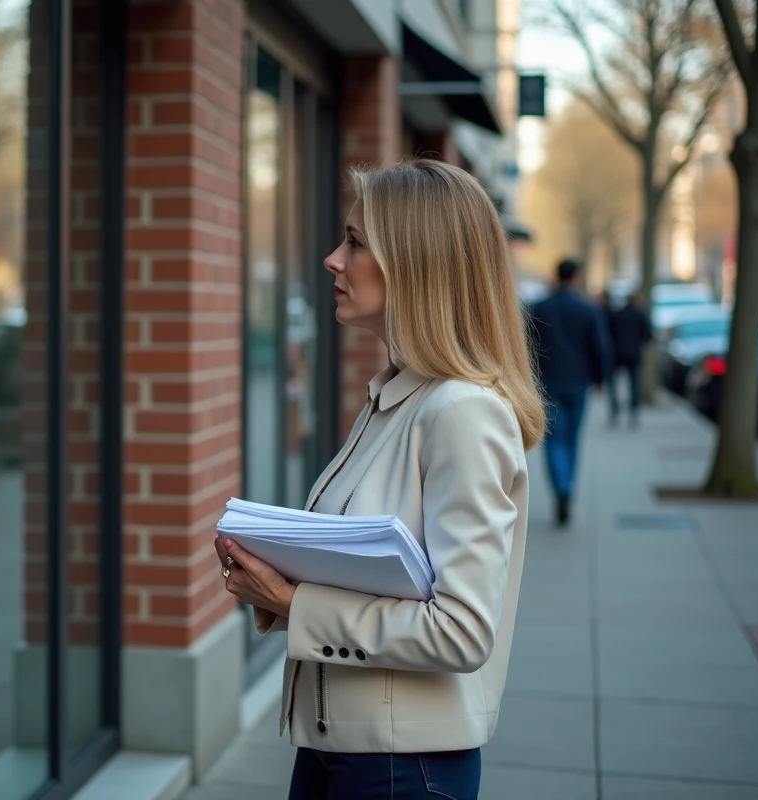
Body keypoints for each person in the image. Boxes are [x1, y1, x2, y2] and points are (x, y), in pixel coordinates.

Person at [214, 160, 544, 800]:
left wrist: (293, 602)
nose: (334, 259)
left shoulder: (461, 414)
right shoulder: (397, 398)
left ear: (417, 264)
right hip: (340, 746)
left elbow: (461, 629)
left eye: (357, 243)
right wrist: (270, 575)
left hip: (402, 767)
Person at [528, 259, 611, 525]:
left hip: (548, 382)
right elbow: (600, 347)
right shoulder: (588, 309)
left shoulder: (540, 308)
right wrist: (600, 379)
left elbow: (527, 347)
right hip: (578, 382)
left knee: (553, 440)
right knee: (572, 440)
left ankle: (560, 487)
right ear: (575, 277)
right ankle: (568, 488)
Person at [604, 291, 652, 428]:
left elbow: (608, 333)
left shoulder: (617, 314)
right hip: (633, 354)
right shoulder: (640, 314)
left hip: (616, 354)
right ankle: (634, 413)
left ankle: (614, 410)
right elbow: (648, 335)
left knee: (613, 384)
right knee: (634, 384)